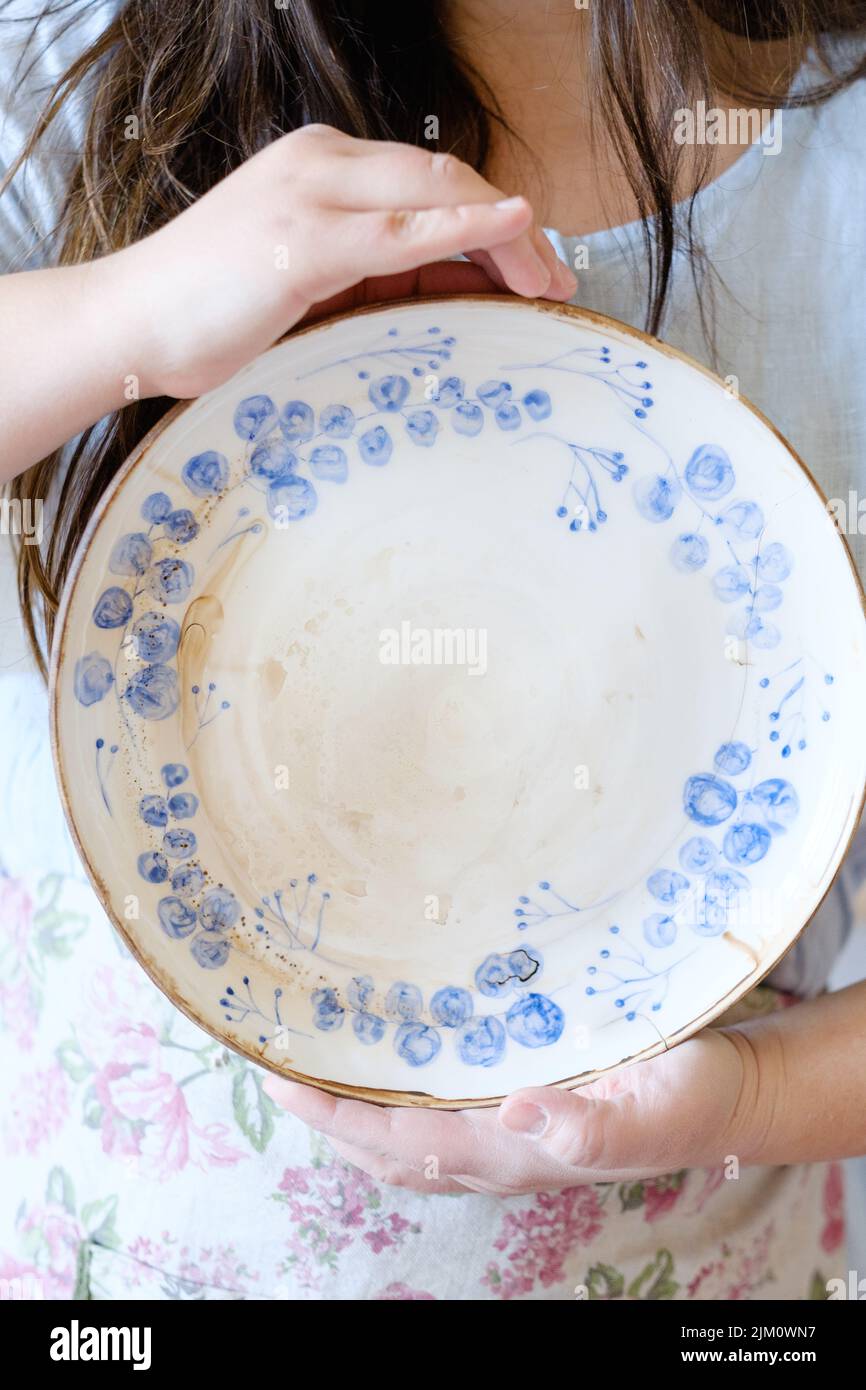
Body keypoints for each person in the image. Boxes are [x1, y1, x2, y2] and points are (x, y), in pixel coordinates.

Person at [1, 0, 865, 1301]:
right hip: (100, 1243)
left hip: (689, 1262)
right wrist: (123, 311)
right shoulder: (80, 86)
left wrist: (749, 1091)